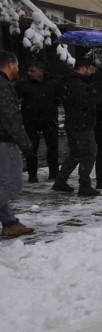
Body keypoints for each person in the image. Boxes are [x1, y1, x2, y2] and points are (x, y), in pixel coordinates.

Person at [53, 59, 102, 197]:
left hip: (74, 123)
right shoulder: (78, 84)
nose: (92, 73)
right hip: (81, 124)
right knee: (89, 153)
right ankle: (84, 186)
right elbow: (84, 102)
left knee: (76, 154)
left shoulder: (73, 82)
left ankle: (60, 181)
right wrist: (101, 97)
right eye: (91, 70)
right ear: (84, 69)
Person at [0, 51, 35, 239]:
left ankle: (10, 223)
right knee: (13, 182)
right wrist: (25, 144)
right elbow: (10, 118)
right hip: (3, 141)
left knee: (1, 183)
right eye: (18, 65)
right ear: (10, 65)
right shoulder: (3, 86)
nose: (18, 69)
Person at [16, 62, 60, 183]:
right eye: (29, 71)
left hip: (49, 119)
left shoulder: (52, 83)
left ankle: (53, 173)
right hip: (31, 120)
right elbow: (16, 97)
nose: (29, 73)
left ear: (41, 71)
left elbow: (59, 97)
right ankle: (32, 175)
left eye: (33, 71)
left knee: (52, 147)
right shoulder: (23, 84)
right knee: (31, 148)